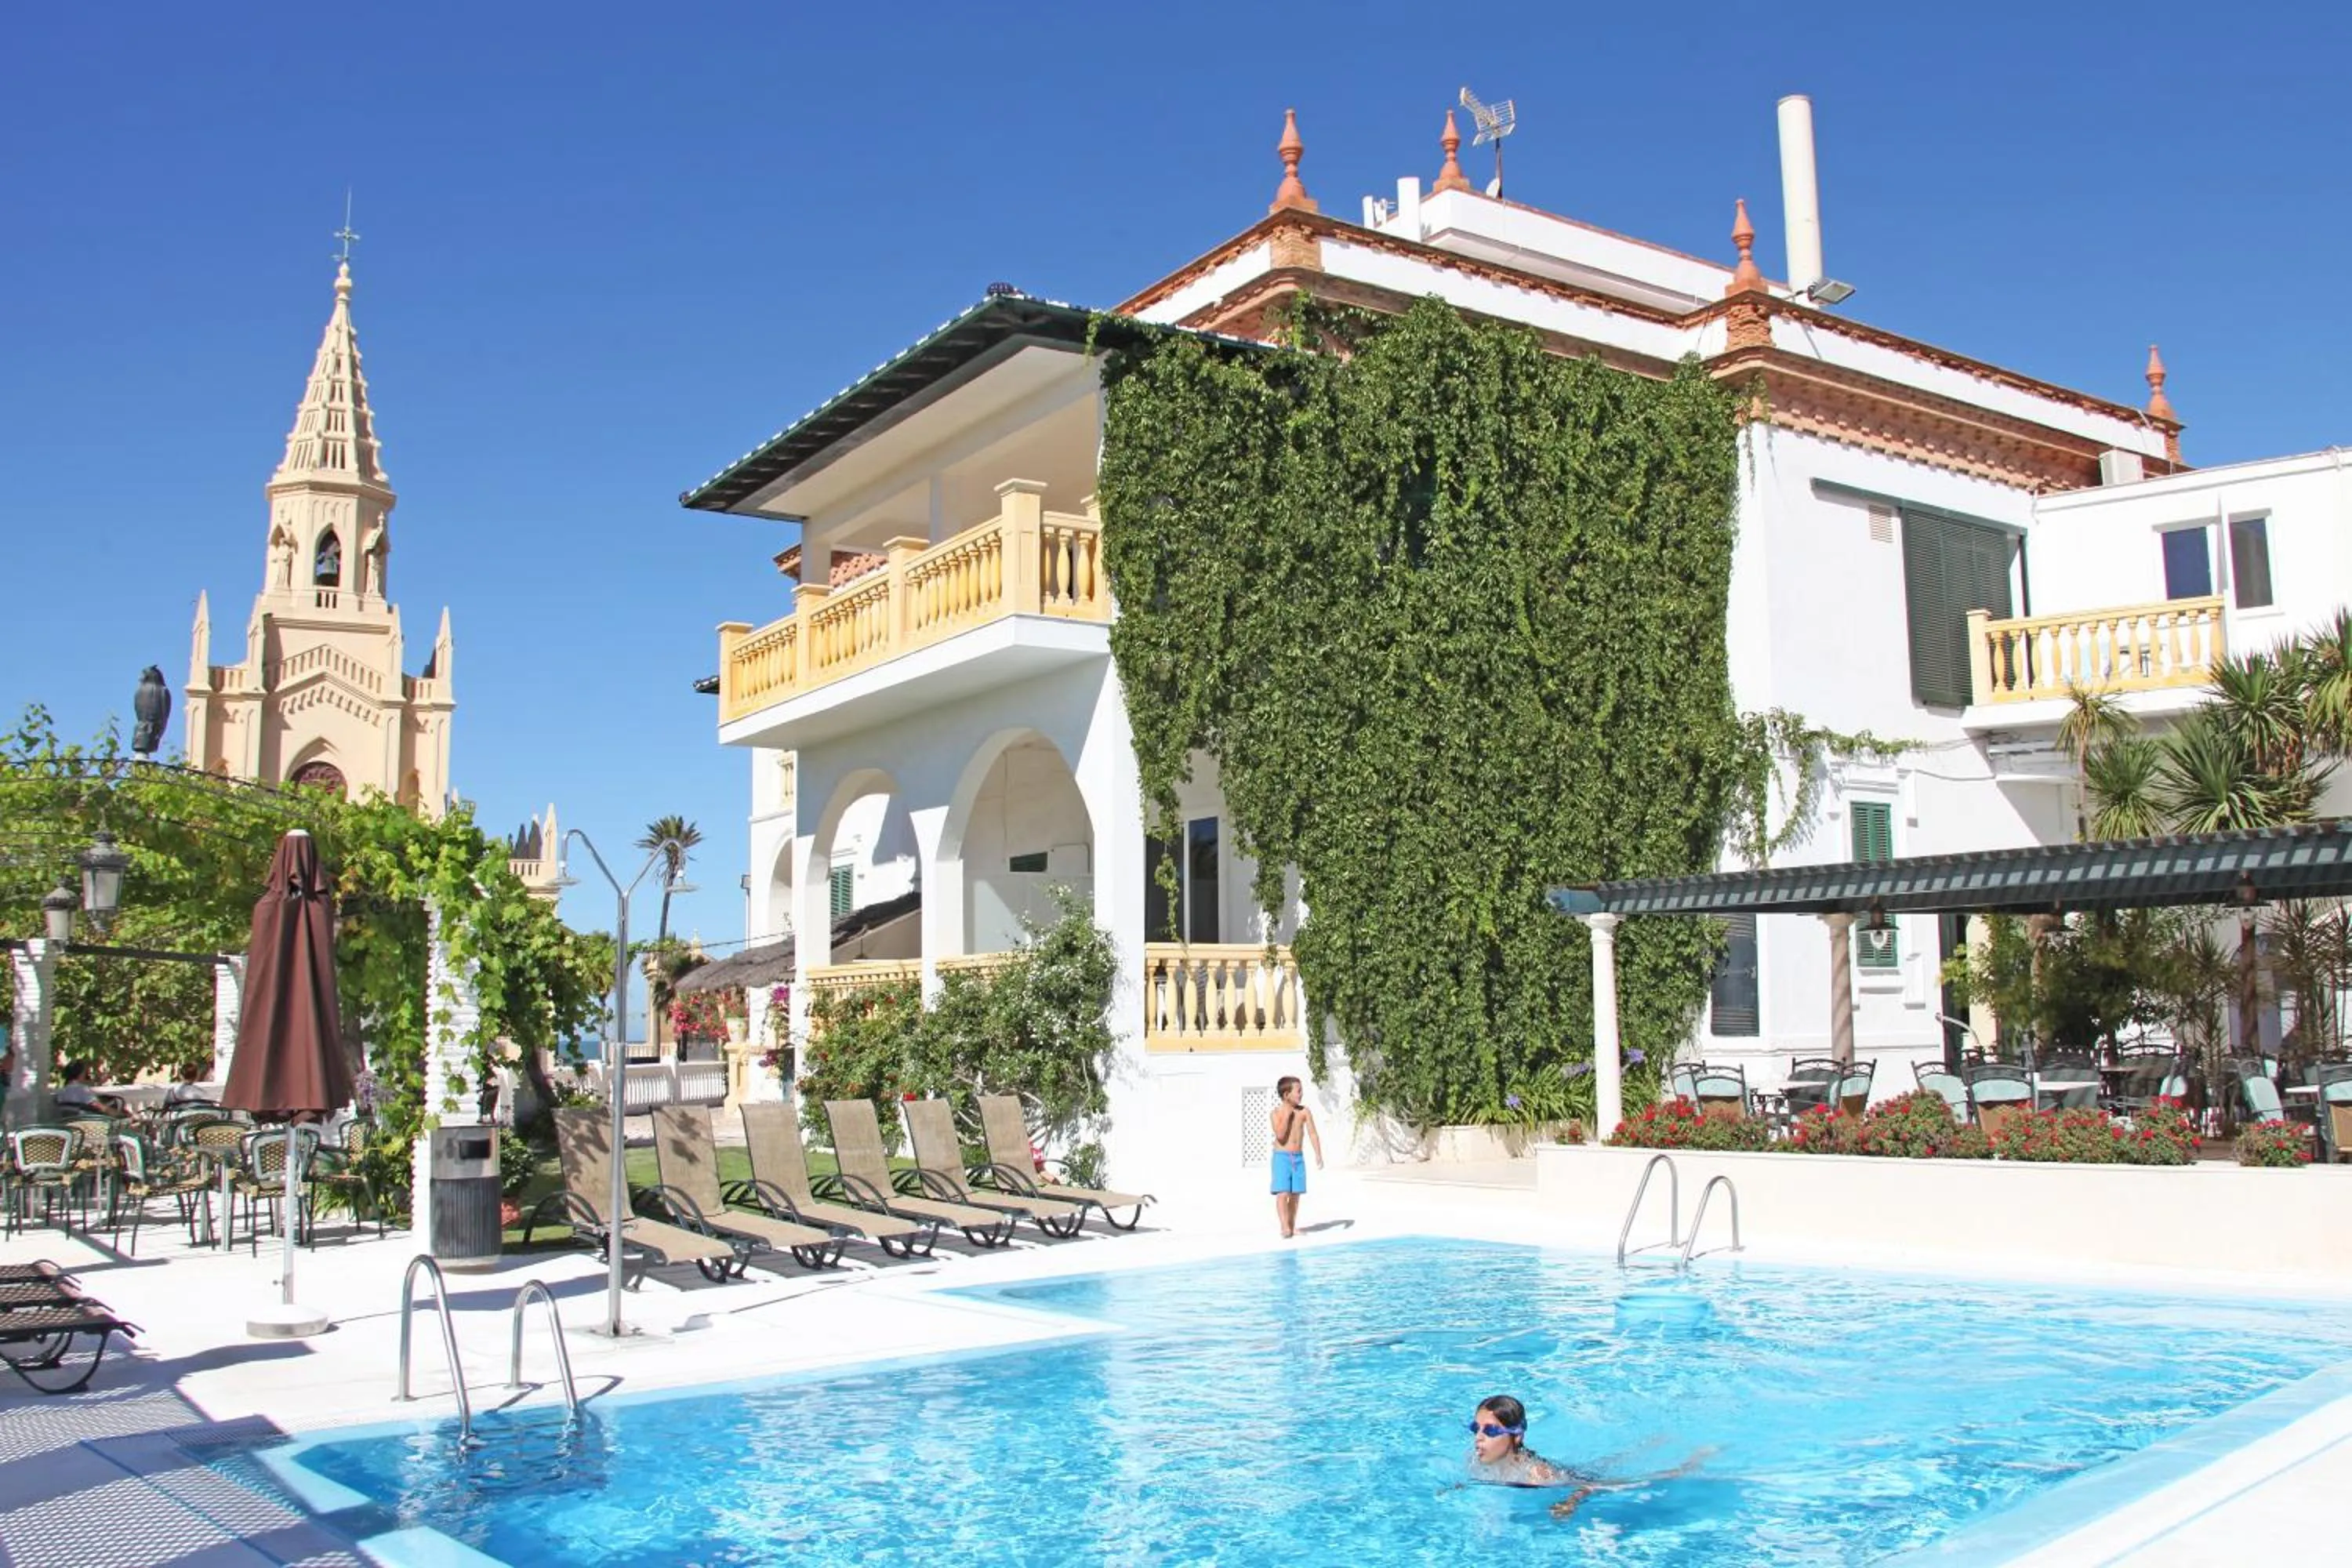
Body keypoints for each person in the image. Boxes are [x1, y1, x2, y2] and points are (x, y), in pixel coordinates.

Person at [1465, 1395, 1711, 1520]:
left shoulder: (1537, 1475)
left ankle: (1691, 1461)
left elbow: (1586, 1486)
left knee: (1634, 1478)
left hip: (1573, 1480)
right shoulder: (1476, 1459)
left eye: (1491, 1430)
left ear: (1516, 1436)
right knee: (1607, 1462)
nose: (1479, 1437)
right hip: (1569, 1470)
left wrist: (1571, 1502)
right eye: (1476, 1428)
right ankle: (1653, 1442)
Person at [1269, 1074, 1323, 1238]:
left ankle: (1292, 1226)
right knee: (1282, 1193)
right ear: (1286, 1095)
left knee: (1295, 1196)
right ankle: (1284, 1226)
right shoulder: (1276, 1113)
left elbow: (1313, 1134)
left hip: (1298, 1158)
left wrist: (1318, 1154)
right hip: (1281, 1157)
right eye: (1298, 1091)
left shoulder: (1304, 1112)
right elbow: (1280, 1135)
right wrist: (1287, 1114)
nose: (1301, 1094)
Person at [53, 1061, 127, 1116]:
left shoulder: (62, 1091)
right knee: (118, 1103)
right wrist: (121, 1116)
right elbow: (100, 1107)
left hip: (69, 1123)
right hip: (89, 1124)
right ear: (81, 1074)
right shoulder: (82, 1089)